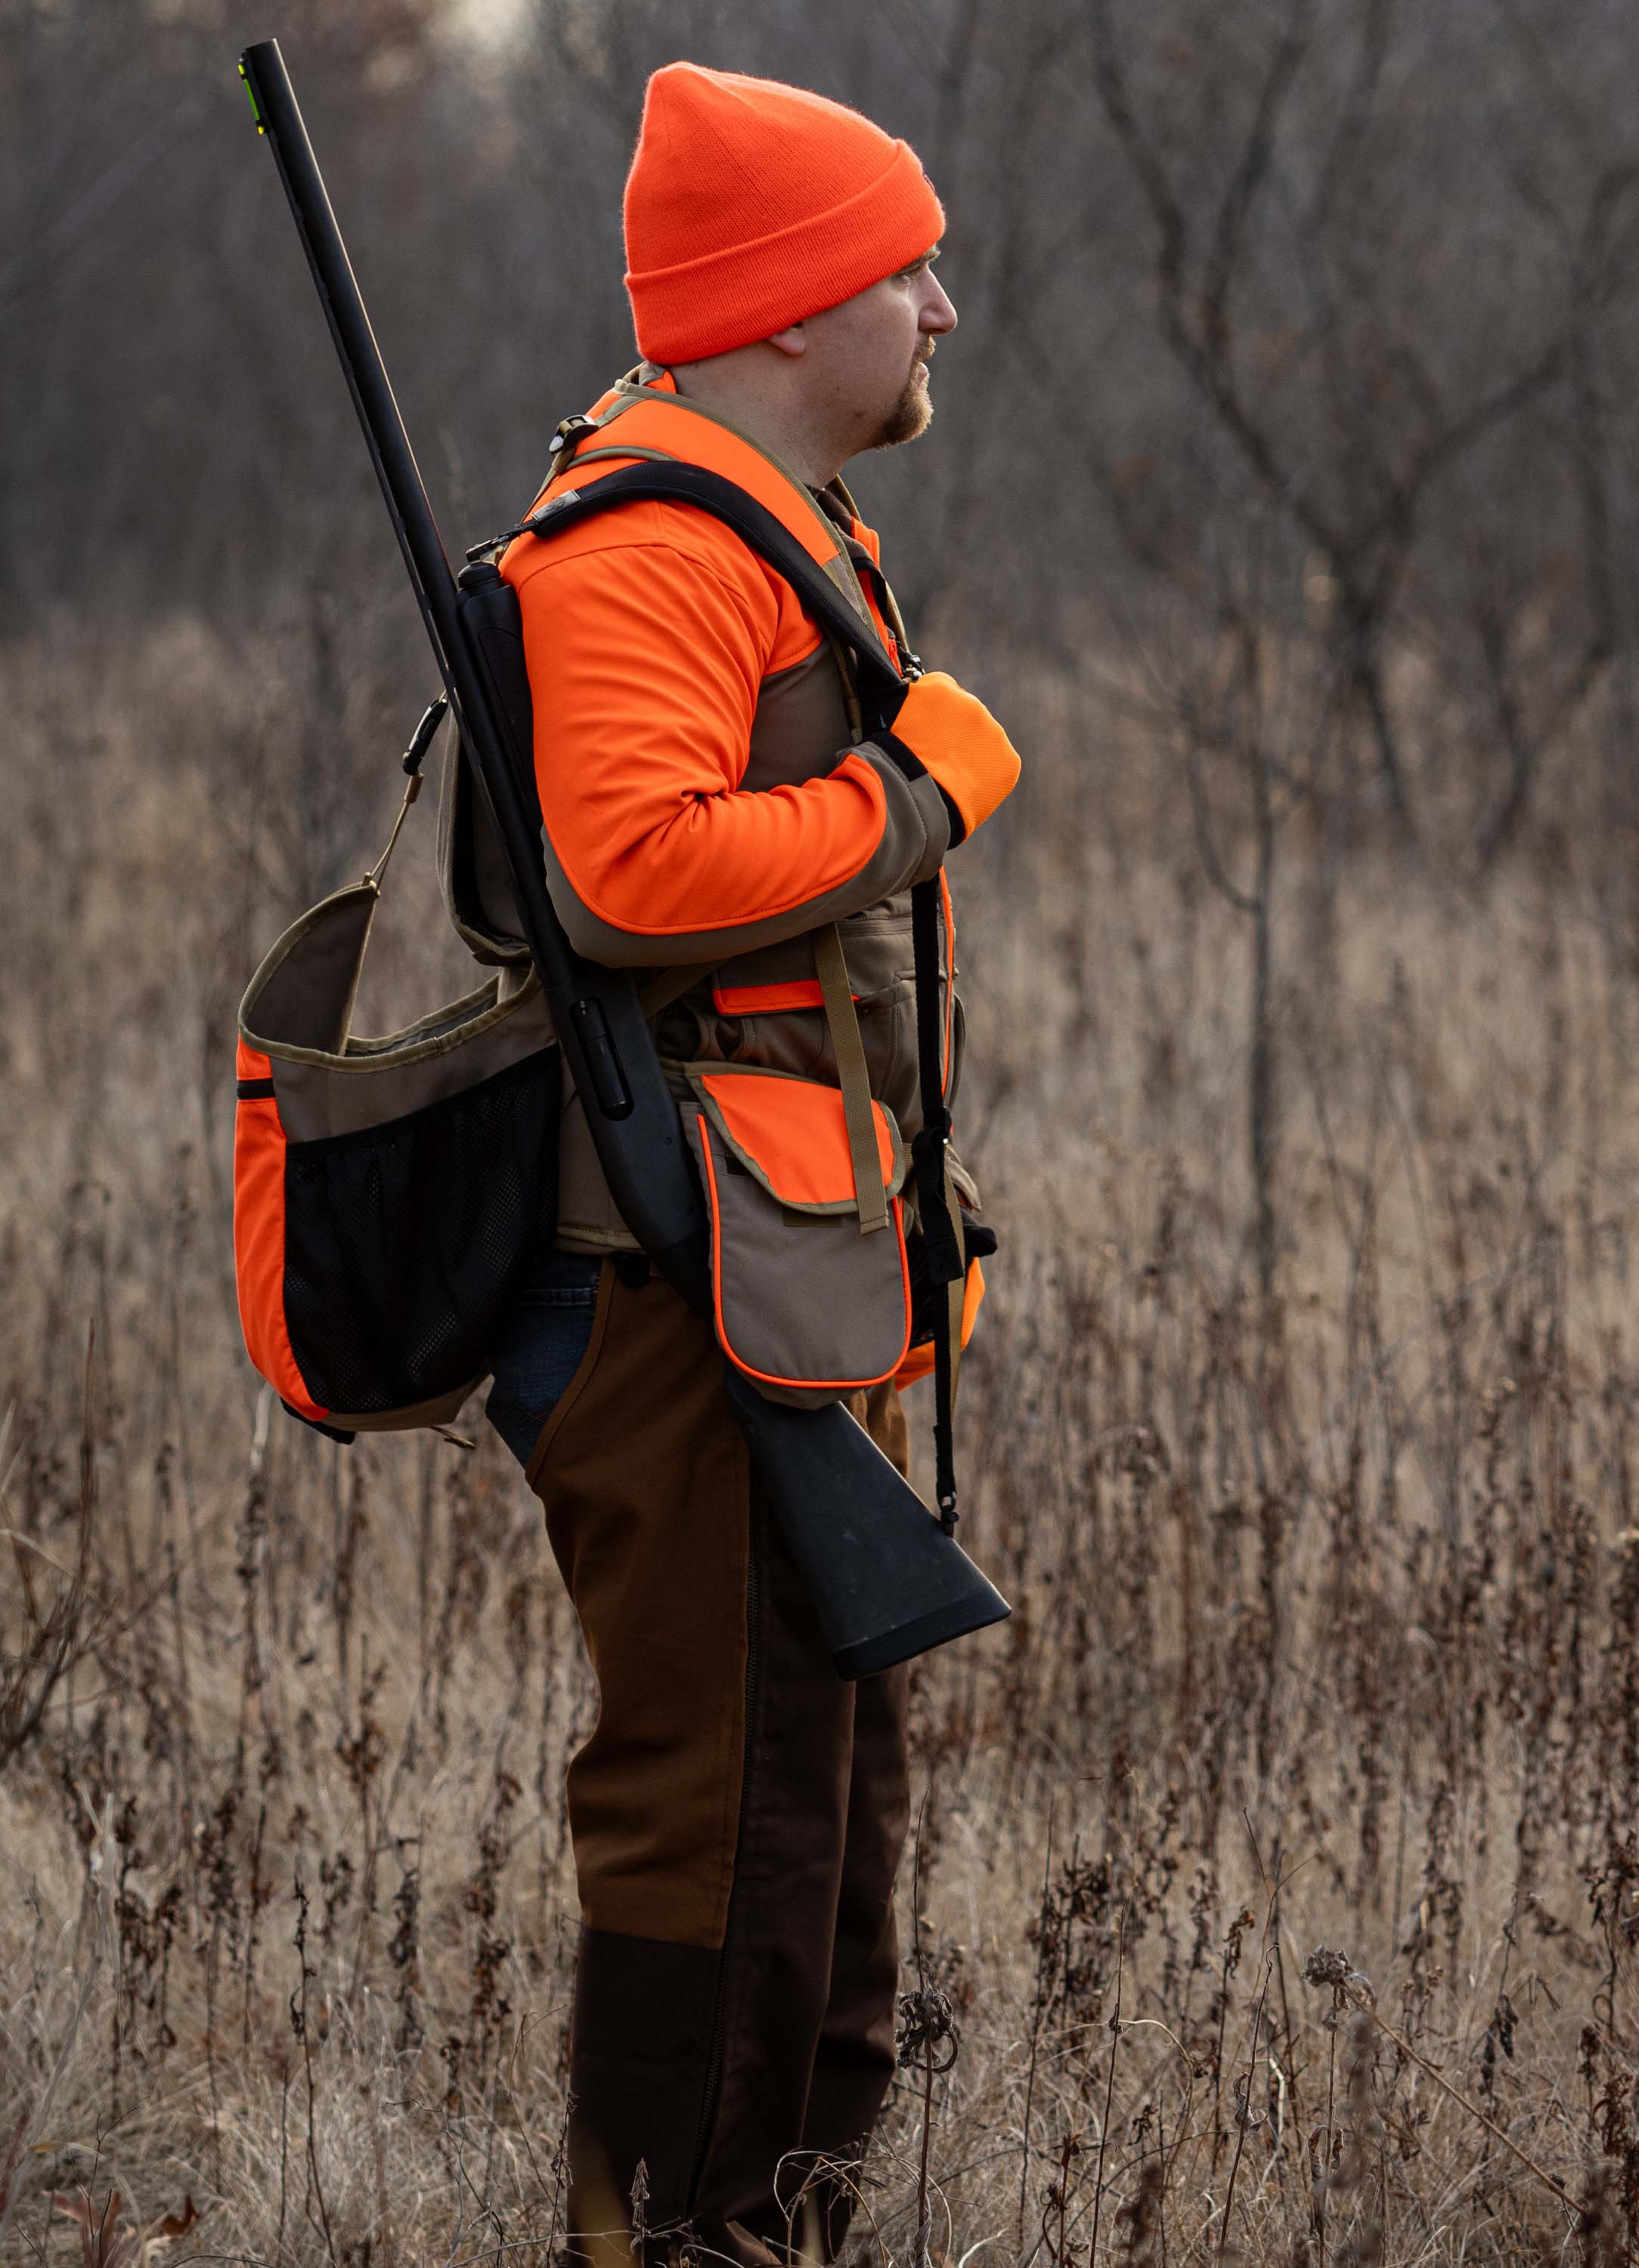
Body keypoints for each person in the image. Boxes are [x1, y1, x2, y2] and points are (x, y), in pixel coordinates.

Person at [457, 63, 1023, 2266]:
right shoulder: (658, 548)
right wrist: (921, 789)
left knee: (817, 1786)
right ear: (790, 307)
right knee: (722, 1801)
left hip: (756, 1258)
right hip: (663, 1274)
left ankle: (776, 2223)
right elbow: (627, 873)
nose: (943, 308)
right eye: (907, 268)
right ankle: (668, 2242)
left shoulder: (762, 521)